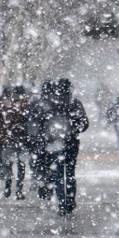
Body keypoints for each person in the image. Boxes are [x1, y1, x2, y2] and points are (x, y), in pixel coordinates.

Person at [46, 78, 88, 216]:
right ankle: (70, 201)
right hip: (71, 143)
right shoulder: (74, 103)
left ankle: (62, 203)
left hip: (56, 143)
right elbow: (84, 123)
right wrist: (74, 130)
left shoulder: (51, 104)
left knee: (58, 173)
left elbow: (43, 124)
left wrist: (50, 135)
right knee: (70, 172)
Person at [0, 85, 29, 199]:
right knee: (21, 166)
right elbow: (30, 124)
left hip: (7, 140)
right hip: (21, 140)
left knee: (8, 165)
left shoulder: (4, 105)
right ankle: (19, 190)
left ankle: (7, 188)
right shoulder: (25, 106)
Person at [28, 80, 57, 200]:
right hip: (51, 140)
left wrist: (30, 137)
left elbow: (30, 121)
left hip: (38, 140)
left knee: (39, 164)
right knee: (50, 164)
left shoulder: (36, 103)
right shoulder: (55, 103)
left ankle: (41, 187)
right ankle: (49, 187)